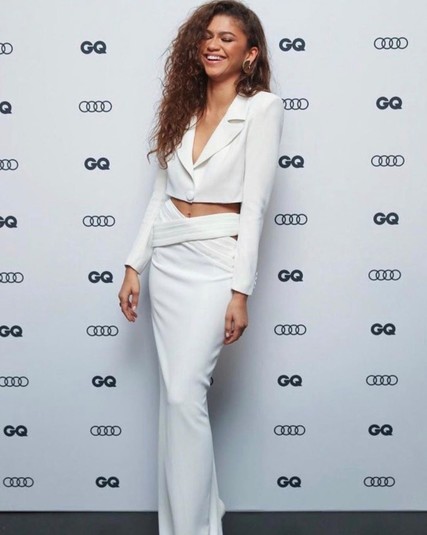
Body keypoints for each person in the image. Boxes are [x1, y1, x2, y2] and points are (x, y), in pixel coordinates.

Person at [118, 1, 284, 533]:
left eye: (228, 38)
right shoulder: (183, 109)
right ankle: (199, 519)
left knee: (183, 394)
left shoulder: (263, 108)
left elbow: (255, 206)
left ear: (250, 54)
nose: (213, 44)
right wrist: (134, 264)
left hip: (215, 260)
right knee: (175, 401)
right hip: (168, 257)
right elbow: (161, 194)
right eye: (208, 36)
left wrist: (241, 291)